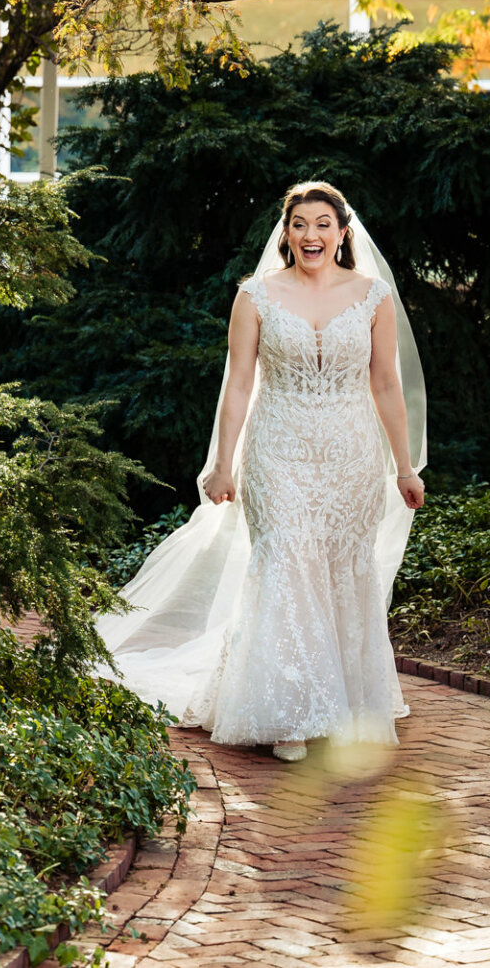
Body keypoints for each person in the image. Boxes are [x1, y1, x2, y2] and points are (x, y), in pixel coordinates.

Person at [96, 181, 427, 761]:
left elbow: (385, 384)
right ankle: (288, 714)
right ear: (286, 234)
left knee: (341, 569)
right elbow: (239, 387)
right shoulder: (256, 296)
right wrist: (222, 463)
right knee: (285, 564)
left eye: (323, 224)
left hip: (351, 457)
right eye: (300, 225)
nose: (311, 235)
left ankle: (346, 705)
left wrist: (404, 467)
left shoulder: (373, 296)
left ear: (342, 233)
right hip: (277, 452)